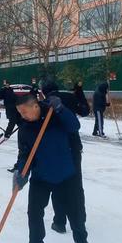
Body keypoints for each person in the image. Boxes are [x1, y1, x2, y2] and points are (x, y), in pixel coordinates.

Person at [13, 94, 92, 243]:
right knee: (34, 213)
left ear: (35, 106)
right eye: (20, 113)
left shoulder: (55, 115)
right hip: (41, 176)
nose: (22, 116)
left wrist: (61, 109)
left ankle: (81, 240)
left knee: (75, 210)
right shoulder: (25, 128)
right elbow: (24, 153)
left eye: (24, 112)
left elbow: (74, 126)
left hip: (65, 174)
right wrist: (21, 171)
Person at [40, 80, 90, 234]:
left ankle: (60, 222)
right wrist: (79, 92)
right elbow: (85, 111)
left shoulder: (44, 103)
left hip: (56, 149)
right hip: (74, 146)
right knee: (76, 185)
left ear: (43, 91)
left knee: (58, 184)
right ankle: (80, 219)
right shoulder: (69, 97)